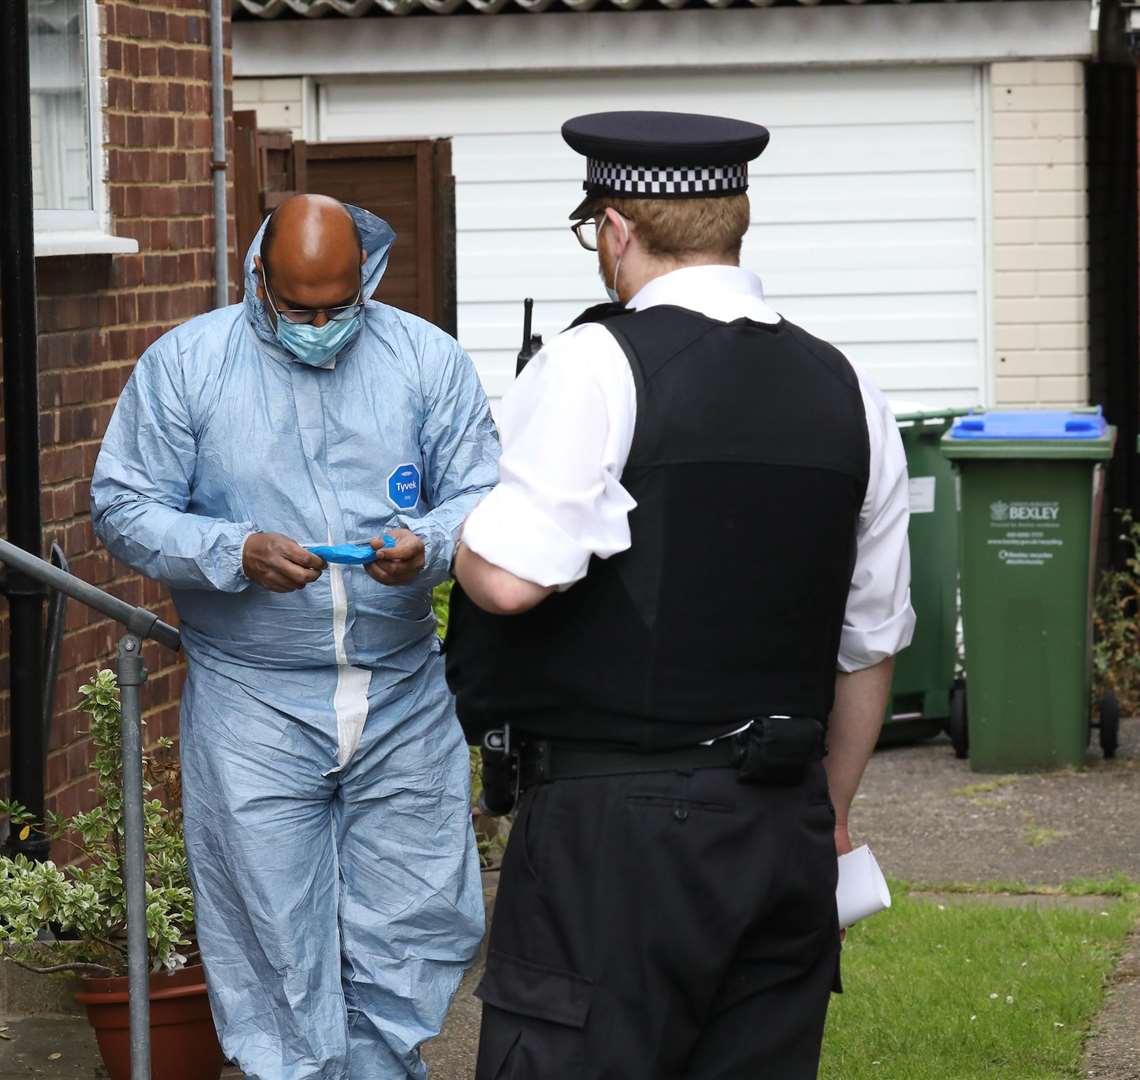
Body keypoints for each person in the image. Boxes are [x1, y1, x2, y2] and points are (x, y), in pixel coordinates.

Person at [445, 111, 916, 1080]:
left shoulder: (593, 363)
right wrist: (822, 812)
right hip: (782, 826)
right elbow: (869, 646)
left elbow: (508, 577)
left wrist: (458, 534)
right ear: (733, 223)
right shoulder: (850, 388)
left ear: (615, 231)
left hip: (613, 834)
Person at [91, 194, 499, 1079]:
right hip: (253, 697)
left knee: (417, 912)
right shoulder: (188, 366)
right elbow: (122, 506)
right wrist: (231, 549)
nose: (318, 326)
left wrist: (426, 545)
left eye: (337, 306)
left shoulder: (425, 361)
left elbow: (483, 492)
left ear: (369, 279)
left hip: (399, 687)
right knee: (268, 929)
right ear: (258, 278)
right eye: (297, 307)